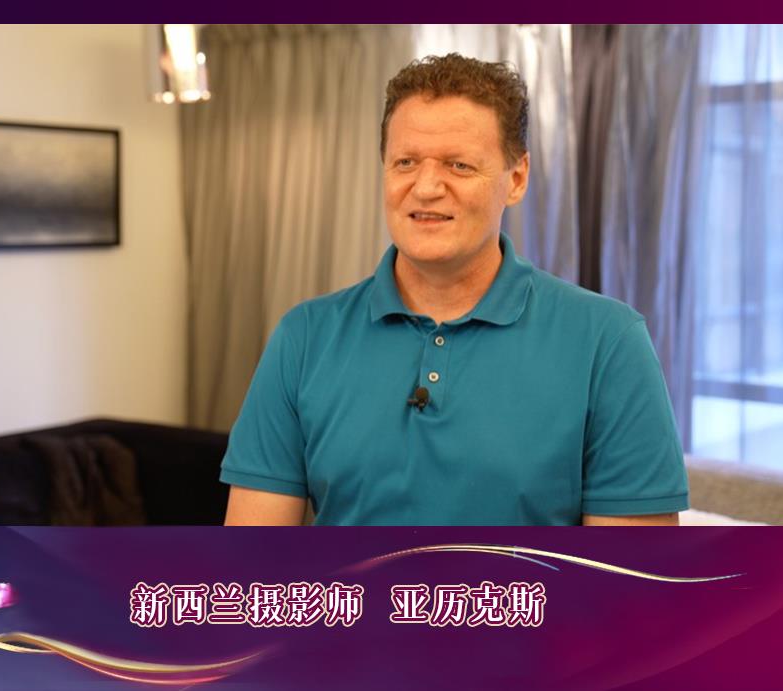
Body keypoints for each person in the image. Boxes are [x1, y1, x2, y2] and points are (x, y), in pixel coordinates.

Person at [220, 54, 688, 526]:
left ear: (516, 179)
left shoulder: (608, 342)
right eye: (405, 162)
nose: (425, 188)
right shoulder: (304, 338)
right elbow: (252, 557)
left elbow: (629, 570)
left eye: (459, 165)